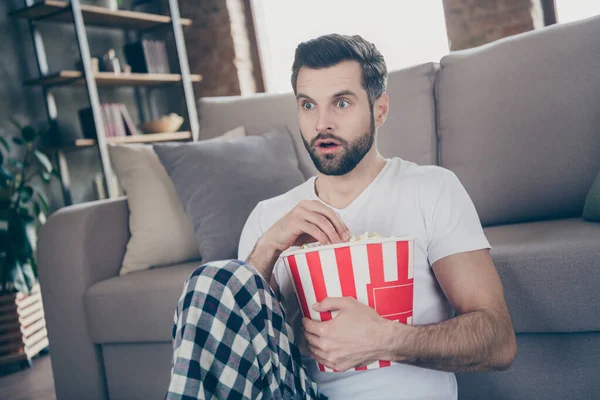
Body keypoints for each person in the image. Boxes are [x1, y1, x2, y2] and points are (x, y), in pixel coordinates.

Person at [166, 34, 516, 400]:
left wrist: (387, 340)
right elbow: (241, 352)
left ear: (379, 109)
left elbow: (498, 340)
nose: (321, 123)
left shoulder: (432, 189)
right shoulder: (269, 218)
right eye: (307, 105)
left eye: (342, 103)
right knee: (212, 282)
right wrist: (267, 250)